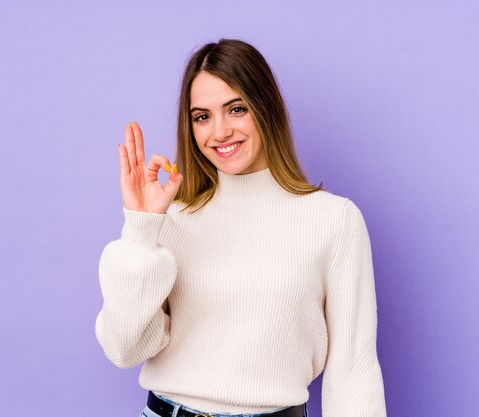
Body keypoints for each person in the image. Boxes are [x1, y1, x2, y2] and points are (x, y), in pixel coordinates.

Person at [95, 38, 387, 417]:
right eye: (202, 116)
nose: (219, 132)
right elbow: (124, 348)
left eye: (236, 109)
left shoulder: (334, 220)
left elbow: (353, 371)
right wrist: (140, 229)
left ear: (265, 108)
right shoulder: (172, 217)